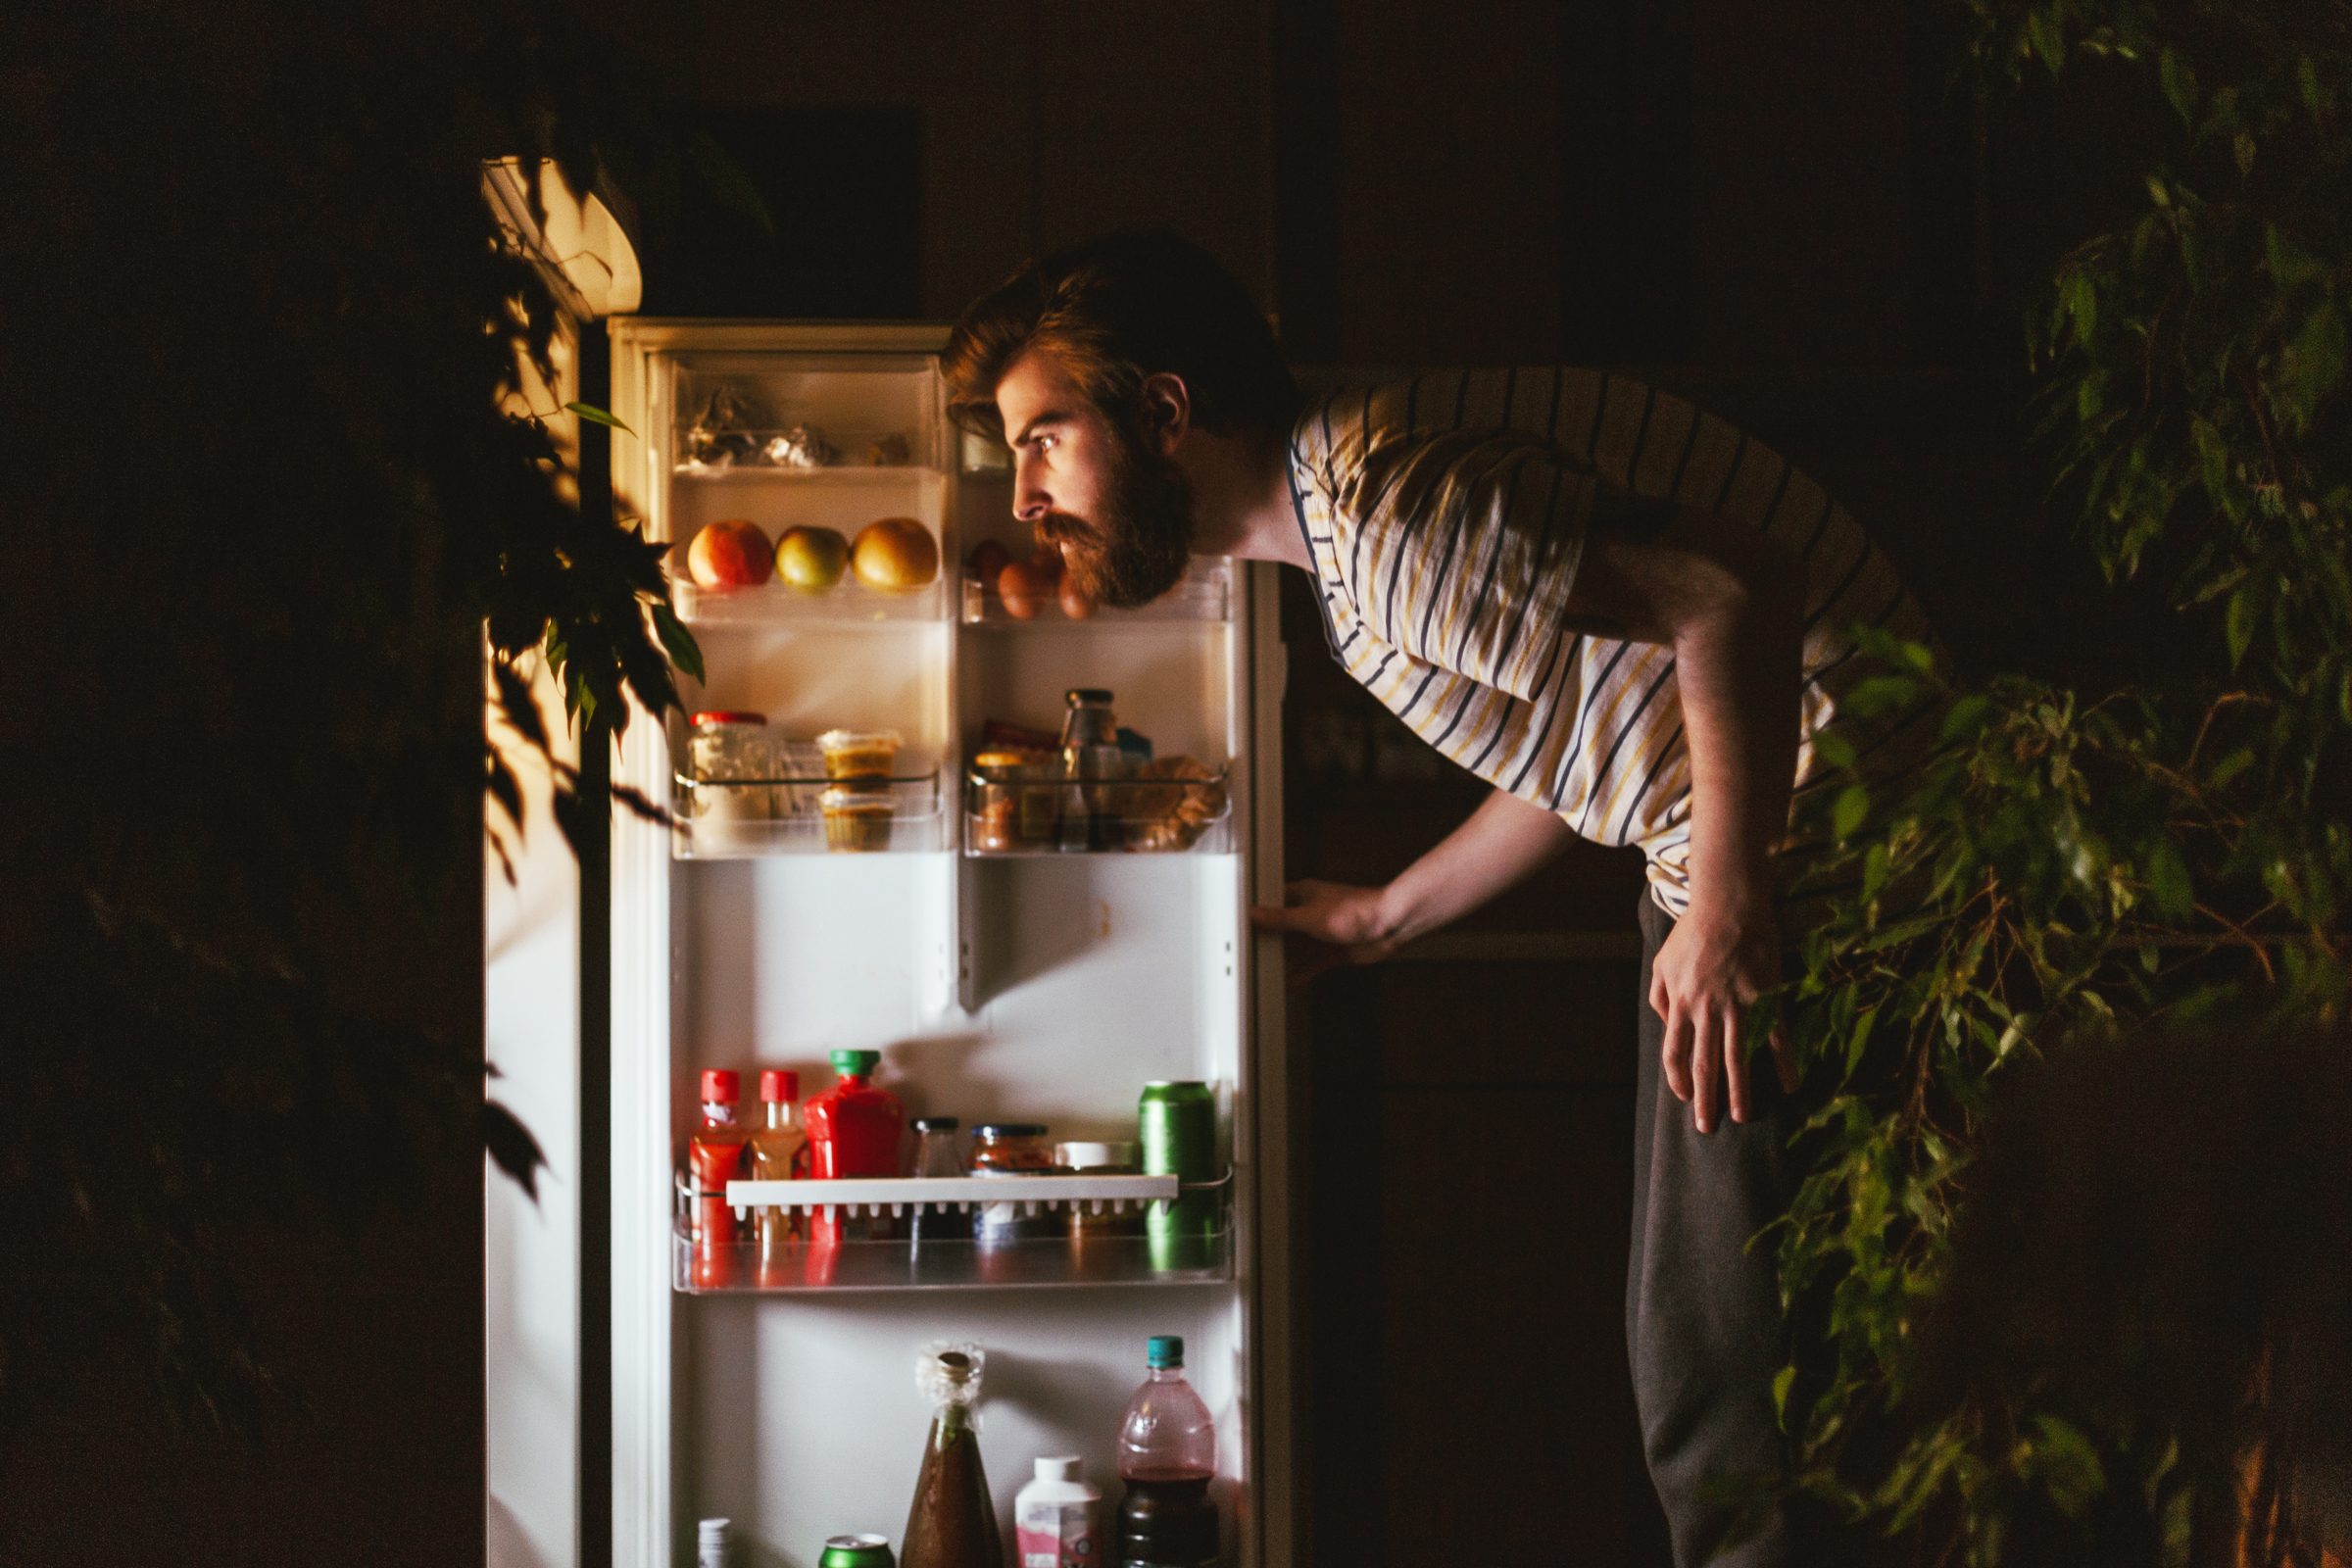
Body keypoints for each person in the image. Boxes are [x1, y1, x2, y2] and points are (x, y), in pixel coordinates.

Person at [944, 229, 1937, 1566]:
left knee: (1724, 1391)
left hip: (1837, 857)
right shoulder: (1361, 513)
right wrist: (1387, 916)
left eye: (1045, 440)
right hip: (1784, 851)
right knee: (1728, 1365)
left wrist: (1729, 906)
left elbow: (1727, 596)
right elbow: (1596, 728)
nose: (1024, 497)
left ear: (1165, 413)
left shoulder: (1392, 524)